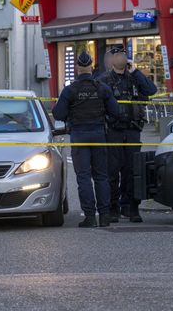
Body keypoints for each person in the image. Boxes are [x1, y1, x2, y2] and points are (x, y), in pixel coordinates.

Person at [52, 51, 119, 228]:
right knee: (101, 176)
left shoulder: (70, 90)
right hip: (98, 134)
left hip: (80, 135)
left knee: (83, 177)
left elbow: (58, 113)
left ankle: (89, 217)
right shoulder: (102, 88)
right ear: (91, 67)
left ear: (77, 68)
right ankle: (104, 216)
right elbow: (116, 112)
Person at [98, 46, 157, 223]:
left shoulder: (134, 78)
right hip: (113, 130)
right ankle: (113, 207)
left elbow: (151, 90)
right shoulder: (104, 80)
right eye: (118, 55)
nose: (121, 58)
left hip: (132, 130)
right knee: (112, 171)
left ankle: (131, 207)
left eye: (124, 55)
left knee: (132, 170)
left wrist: (136, 71)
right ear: (112, 58)